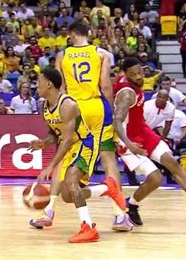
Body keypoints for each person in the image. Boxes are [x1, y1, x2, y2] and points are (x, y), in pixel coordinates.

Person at [32, 22, 130, 230]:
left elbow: (60, 86)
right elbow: (105, 85)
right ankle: (119, 215)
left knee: (63, 153)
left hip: (72, 106)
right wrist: (112, 112)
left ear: (70, 34)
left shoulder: (63, 55)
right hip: (96, 107)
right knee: (108, 158)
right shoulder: (101, 53)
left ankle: (49, 210)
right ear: (89, 34)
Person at [113, 57, 186, 226]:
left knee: (172, 163)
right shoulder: (127, 94)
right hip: (128, 140)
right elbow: (117, 122)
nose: (138, 77)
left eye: (140, 72)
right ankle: (131, 205)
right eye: (133, 74)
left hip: (143, 131)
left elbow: (109, 81)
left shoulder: (129, 81)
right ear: (126, 75)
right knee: (156, 179)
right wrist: (130, 145)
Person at [30, 69, 126, 243]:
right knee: (68, 195)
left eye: (39, 82)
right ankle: (108, 188)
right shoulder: (44, 105)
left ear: (49, 84)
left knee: (72, 183)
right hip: (72, 145)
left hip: (85, 144)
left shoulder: (68, 105)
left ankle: (88, 228)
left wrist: (50, 166)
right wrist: (44, 143)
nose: (36, 86)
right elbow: (56, 134)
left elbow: (66, 141)